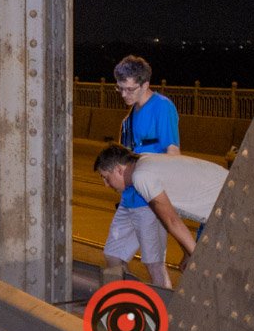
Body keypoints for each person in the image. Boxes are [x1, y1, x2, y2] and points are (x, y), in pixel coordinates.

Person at [101, 55, 180, 289]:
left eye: (129, 89)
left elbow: (173, 153)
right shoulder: (128, 119)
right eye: (120, 88)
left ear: (145, 85)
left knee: (154, 264)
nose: (124, 94)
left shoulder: (162, 107)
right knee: (113, 255)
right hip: (129, 200)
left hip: (150, 201)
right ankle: (125, 301)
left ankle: (163, 307)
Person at [94, 144, 228, 268]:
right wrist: (188, 253)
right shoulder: (145, 161)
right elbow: (168, 219)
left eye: (106, 177)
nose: (106, 184)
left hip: (227, 203)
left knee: (209, 272)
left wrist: (199, 261)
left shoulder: (141, 176)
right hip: (226, 192)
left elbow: (172, 221)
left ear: (118, 169)